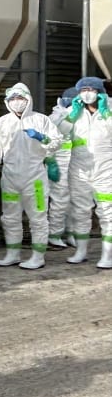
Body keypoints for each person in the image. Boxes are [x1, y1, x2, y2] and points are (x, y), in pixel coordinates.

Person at [0, 83, 62, 270]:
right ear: (7, 102)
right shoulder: (3, 122)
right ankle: (12, 253)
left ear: (28, 99)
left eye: (20, 98)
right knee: (10, 217)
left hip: (34, 176)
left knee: (38, 217)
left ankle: (38, 256)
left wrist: (41, 138)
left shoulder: (41, 120)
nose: (16, 102)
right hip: (10, 176)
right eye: (12, 99)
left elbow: (57, 142)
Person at [64, 77, 112, 266]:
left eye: (91, 89)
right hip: (80, 170)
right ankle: (81, 251)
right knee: (80, 211)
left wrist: (106, 113)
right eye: (83, 89)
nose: (87, 93)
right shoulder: (73, 112)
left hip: (106, 169)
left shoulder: (109, 109)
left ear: (100, 92)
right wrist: (72, 115)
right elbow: (59, 132)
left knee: (108, 212)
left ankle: (107, 255)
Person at [47, 87, 78, 249]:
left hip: (76, 164)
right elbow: (58, 133)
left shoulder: (82, 117)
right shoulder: (55, 117)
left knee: (75, 201)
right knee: (60, 200)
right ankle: (54, 233)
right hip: (59, 165)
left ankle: (71, 232)